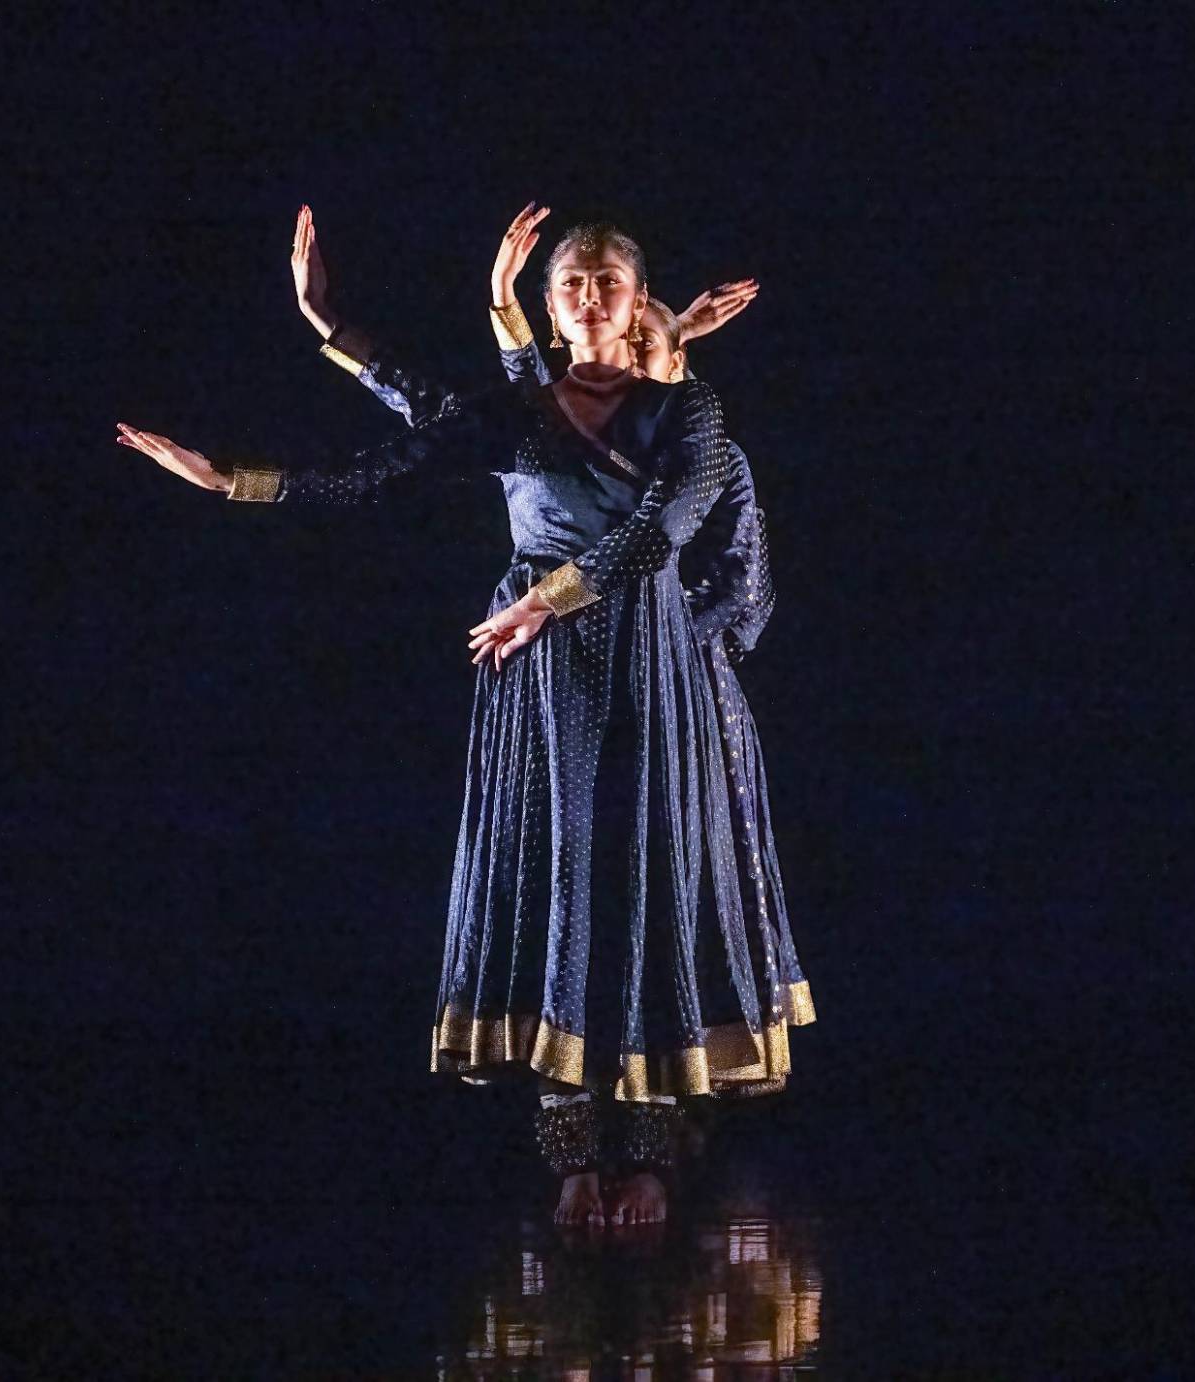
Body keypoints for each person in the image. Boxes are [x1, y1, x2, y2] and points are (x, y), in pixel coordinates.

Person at [117, 214, 814, 1228]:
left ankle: (654, 1152)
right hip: (539, 675)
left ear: (636, 301)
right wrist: (237, 475)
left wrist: (543, 598)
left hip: (647, 665)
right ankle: (574, 1150)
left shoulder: (689, 412)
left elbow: (662, 528)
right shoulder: (519, 418)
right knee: (558, 887)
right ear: (546, 302)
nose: (586, 293)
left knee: (645, 885)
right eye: (569, 279)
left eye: (607, 280)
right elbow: (390, 458)